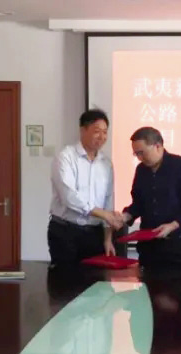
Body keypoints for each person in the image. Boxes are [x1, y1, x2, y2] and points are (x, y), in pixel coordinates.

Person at [121, 127, 181, 270]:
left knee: (178, 283)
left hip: (177, 248)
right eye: (136, 154)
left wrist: (173, 225)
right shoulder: (141, 170)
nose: (139, 158)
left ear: (158, 146)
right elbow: (139, 203)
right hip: (149, 249)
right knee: (147, 284)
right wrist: (126, 216)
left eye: (142, 153)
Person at [48, 109, 123, 267]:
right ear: (83, 130)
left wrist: (107, 239)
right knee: (64, 280)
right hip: (65, 232)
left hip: (94, 234)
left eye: (105, 132)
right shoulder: (65, 157)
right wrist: (103, 214)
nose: (102, 137)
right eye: (97, 131)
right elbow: (69, 196)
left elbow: (108, 201)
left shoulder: (106, 163)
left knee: (94, 279)